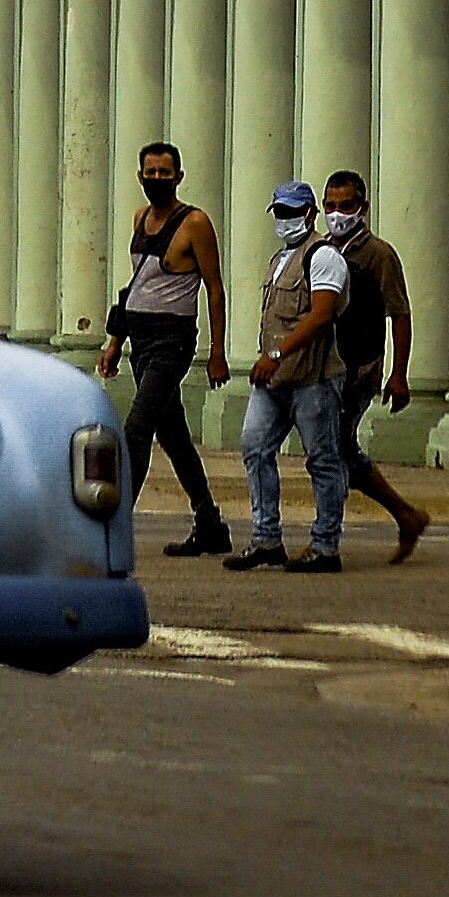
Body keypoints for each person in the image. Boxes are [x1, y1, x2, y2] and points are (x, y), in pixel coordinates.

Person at [93, 140, 233, 559]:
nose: (157, 179)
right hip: (140, 338)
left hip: (173, 341)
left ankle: (114, 531)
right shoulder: (140, 219)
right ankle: (209, 522)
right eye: (150, 173)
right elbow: (136, 284)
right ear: (139, 177)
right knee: (174, 437)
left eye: (164, 173)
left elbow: (214, 289)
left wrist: (217, 350)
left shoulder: (194, 223)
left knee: (136, 428)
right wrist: (115, 341)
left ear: (179, 176)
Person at [226, 180, 353, 576]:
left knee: (323, 460)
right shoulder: (279, 259)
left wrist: (275, 354)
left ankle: (325, 546)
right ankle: (266, 538)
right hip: (275, 381)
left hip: (313, 379)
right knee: (255, 447)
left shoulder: (323, 255)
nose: (286, 219)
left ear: (310, 214)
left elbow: (320, 315)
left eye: (293, 212)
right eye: (280, 212)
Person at [310, 169, 430, 565]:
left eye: (346, 206)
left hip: (361, 368)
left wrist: (399, 374)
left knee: (337, 445)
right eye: (330, 206)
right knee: (335, 447)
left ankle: (338, 532)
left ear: (363, 207)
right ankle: (402, 515)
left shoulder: (378, 255)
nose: (337, 214)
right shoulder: (322, 250)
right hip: (327, 366)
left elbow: (400, 313)